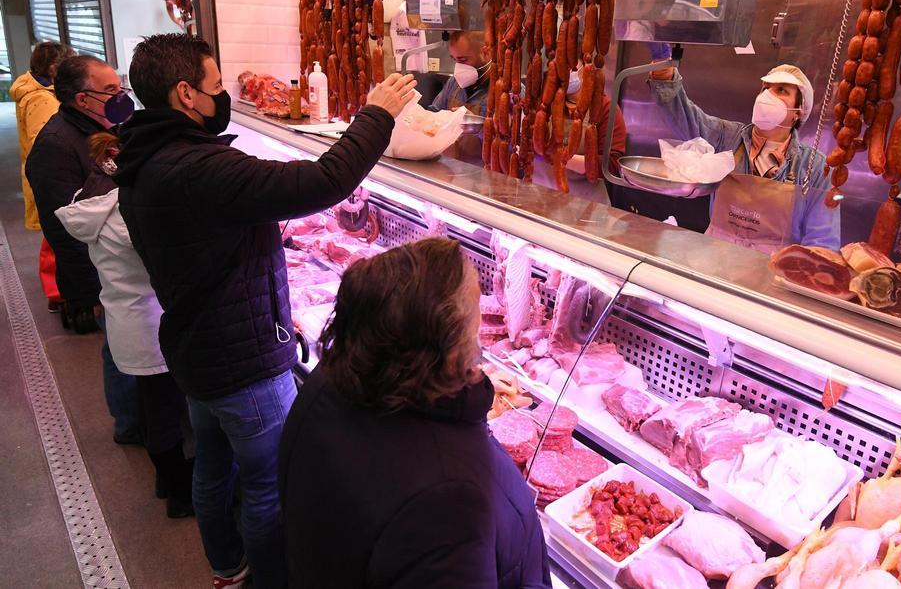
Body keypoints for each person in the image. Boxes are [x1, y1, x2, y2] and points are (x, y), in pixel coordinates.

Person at [113, 32, 416, 589]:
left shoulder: (143, 155)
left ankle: (227, 569)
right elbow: (325, 181)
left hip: (195, 348)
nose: (222, 95)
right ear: (185, 94)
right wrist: (377, 114)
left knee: (212, 464)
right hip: (244, 362)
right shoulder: (196, 167)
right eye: (216, 86)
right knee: (267, 483)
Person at [280, 238, 551, 588]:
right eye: (473, 315)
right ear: (447, 347)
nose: (480, 329)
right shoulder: (446, 501)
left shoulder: (329, 379)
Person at [55, 131, 193, 518]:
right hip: (150, 325)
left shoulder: (93, 200)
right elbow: (169, 259)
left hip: (126, 319)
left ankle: (168, 479)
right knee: (163, 409)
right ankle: (178, 492)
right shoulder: (124, 213)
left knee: (154, 405)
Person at [25, 54, 141, 443]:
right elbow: (64, 228)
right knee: (118, 350)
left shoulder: (107, 124)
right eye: (110, 90)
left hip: (120, 261)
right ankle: (130, 426)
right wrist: (88, 293)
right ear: (81, 99)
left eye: (119, 86)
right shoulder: (55, 146)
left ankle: (141, 417)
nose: (120, 95)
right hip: (100, 270)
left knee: (126, 344)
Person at [647, 49, 841, 250]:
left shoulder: (815, 167)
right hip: (715, 259)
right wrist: (663, 71)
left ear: (798, 112)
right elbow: (685, 117)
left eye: (781, 90)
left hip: (772, 272)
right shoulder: (727, 138)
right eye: (766, 88)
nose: (768, 95)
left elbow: (822, 242)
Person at [12, 41, 75, 311]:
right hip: (50, 179)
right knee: (56, 235)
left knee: (57, 233)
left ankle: (60, 289)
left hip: (47, 177)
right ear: (53, 68)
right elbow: (47, 145)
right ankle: (57, 293)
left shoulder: (45, 93)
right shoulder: (41, 100)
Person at [531, 60, 628, 205]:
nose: (565, 72)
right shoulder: (544, 101)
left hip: (584, 207)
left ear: (587, 69)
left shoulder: (606, 108)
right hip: (538, 201)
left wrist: (557, 157)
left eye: (571, 66)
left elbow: (612, 165)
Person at [429, 30, 493, 116]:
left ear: (486, 53)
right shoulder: (453, 82)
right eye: (454, 59)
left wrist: (476, 124)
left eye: (463, 60)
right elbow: (434, 112)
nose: (458, 67)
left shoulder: (502, 91)